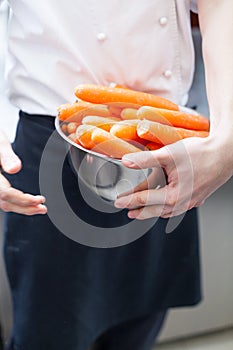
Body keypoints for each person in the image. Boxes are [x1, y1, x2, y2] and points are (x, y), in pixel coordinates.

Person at [0, 1, 231, 350]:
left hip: (168, 140)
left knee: (140, 323)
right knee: (48, 335)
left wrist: (228, 139)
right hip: (55, 141)